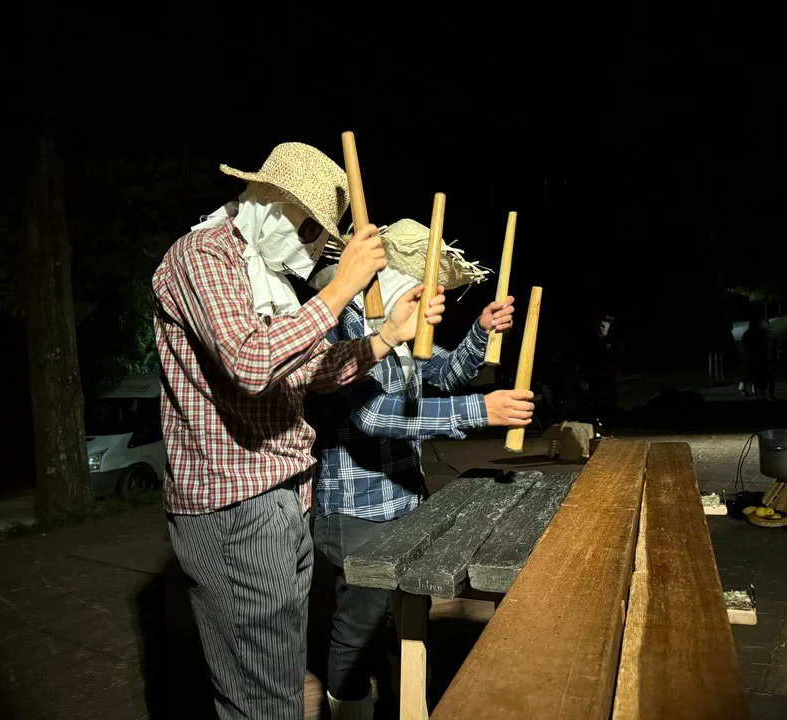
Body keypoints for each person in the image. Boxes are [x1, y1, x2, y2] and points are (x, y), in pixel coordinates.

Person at [151, 144, 446, 720]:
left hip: (286, 498)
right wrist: (342, 289)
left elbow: (310, 373)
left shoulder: (265, 273)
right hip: (235, 503)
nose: (313, 249)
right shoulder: (202, 255)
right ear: (271, 201)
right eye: (310, 230)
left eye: (322, 239)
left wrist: (387, 335)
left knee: (281, 687)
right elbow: (251, 363)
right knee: (262, 700)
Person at [306, 218, 535, 719]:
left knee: (409, 615)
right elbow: (372, 415)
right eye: (421, 285)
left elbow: (445, 373)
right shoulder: (340, 325)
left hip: (407, 499)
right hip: (356, 509)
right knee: (360, 626)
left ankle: (407, 706)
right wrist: (481, 411)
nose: (430, 298)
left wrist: (480, 332)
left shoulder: (402, 332)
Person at [584, 314, 624, 429]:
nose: (600, 328)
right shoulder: (592, 342)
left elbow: (621, 359)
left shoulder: (614, 342)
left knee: (611, 401)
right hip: (595, 377)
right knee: (595, 401)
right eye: (599, 326)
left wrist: (616, 373)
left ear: (608, 327)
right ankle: (597, 424)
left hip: (609, 377)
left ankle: (611, 426)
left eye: (603, 326)